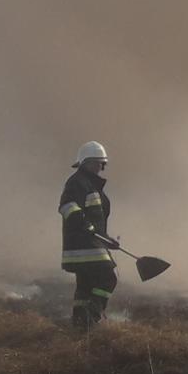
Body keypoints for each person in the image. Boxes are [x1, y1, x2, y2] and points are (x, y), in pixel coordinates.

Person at [60, 141, 118, 329]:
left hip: (87, 245)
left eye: (101, 163)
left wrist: (107, 240)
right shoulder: (77, 182)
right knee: (109, 277)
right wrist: (83, 223)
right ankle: (92, 316)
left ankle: (80, 325)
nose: (100, 167)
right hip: (84, 246)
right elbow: (67, 206)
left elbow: (96, 223)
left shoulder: (91, 185)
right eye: (96, 163)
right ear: (85, 163)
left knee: (85, 286)